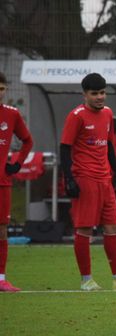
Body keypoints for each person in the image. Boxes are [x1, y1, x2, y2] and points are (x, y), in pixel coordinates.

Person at [60, 73, 116, 291]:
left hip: (104, 178)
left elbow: (108, 144)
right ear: (85, 94)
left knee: (113, 227)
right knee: (85, 229)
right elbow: (65, 148)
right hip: (85, 178)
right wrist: (69, 179)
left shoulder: (108, 114)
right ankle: (86, 280)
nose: (100, 97)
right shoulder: (76, 116)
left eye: (102, 92)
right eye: (95, 93)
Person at [0, 72, 33, 292]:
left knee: (2, 230)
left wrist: (17, 163)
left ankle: (0, 279)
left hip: (2, 182)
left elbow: (27, 141)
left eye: (2, 88)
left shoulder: (11, 114)